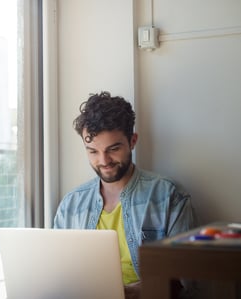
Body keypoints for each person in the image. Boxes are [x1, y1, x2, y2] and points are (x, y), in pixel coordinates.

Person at [53, 91, 196, 299]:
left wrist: (126, 294)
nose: (103, 161)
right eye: (93, 151)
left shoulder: (169, 197)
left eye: (113, 148)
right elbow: (57, 271)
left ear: (132, 141)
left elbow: (184, 279)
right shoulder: (71, 205)